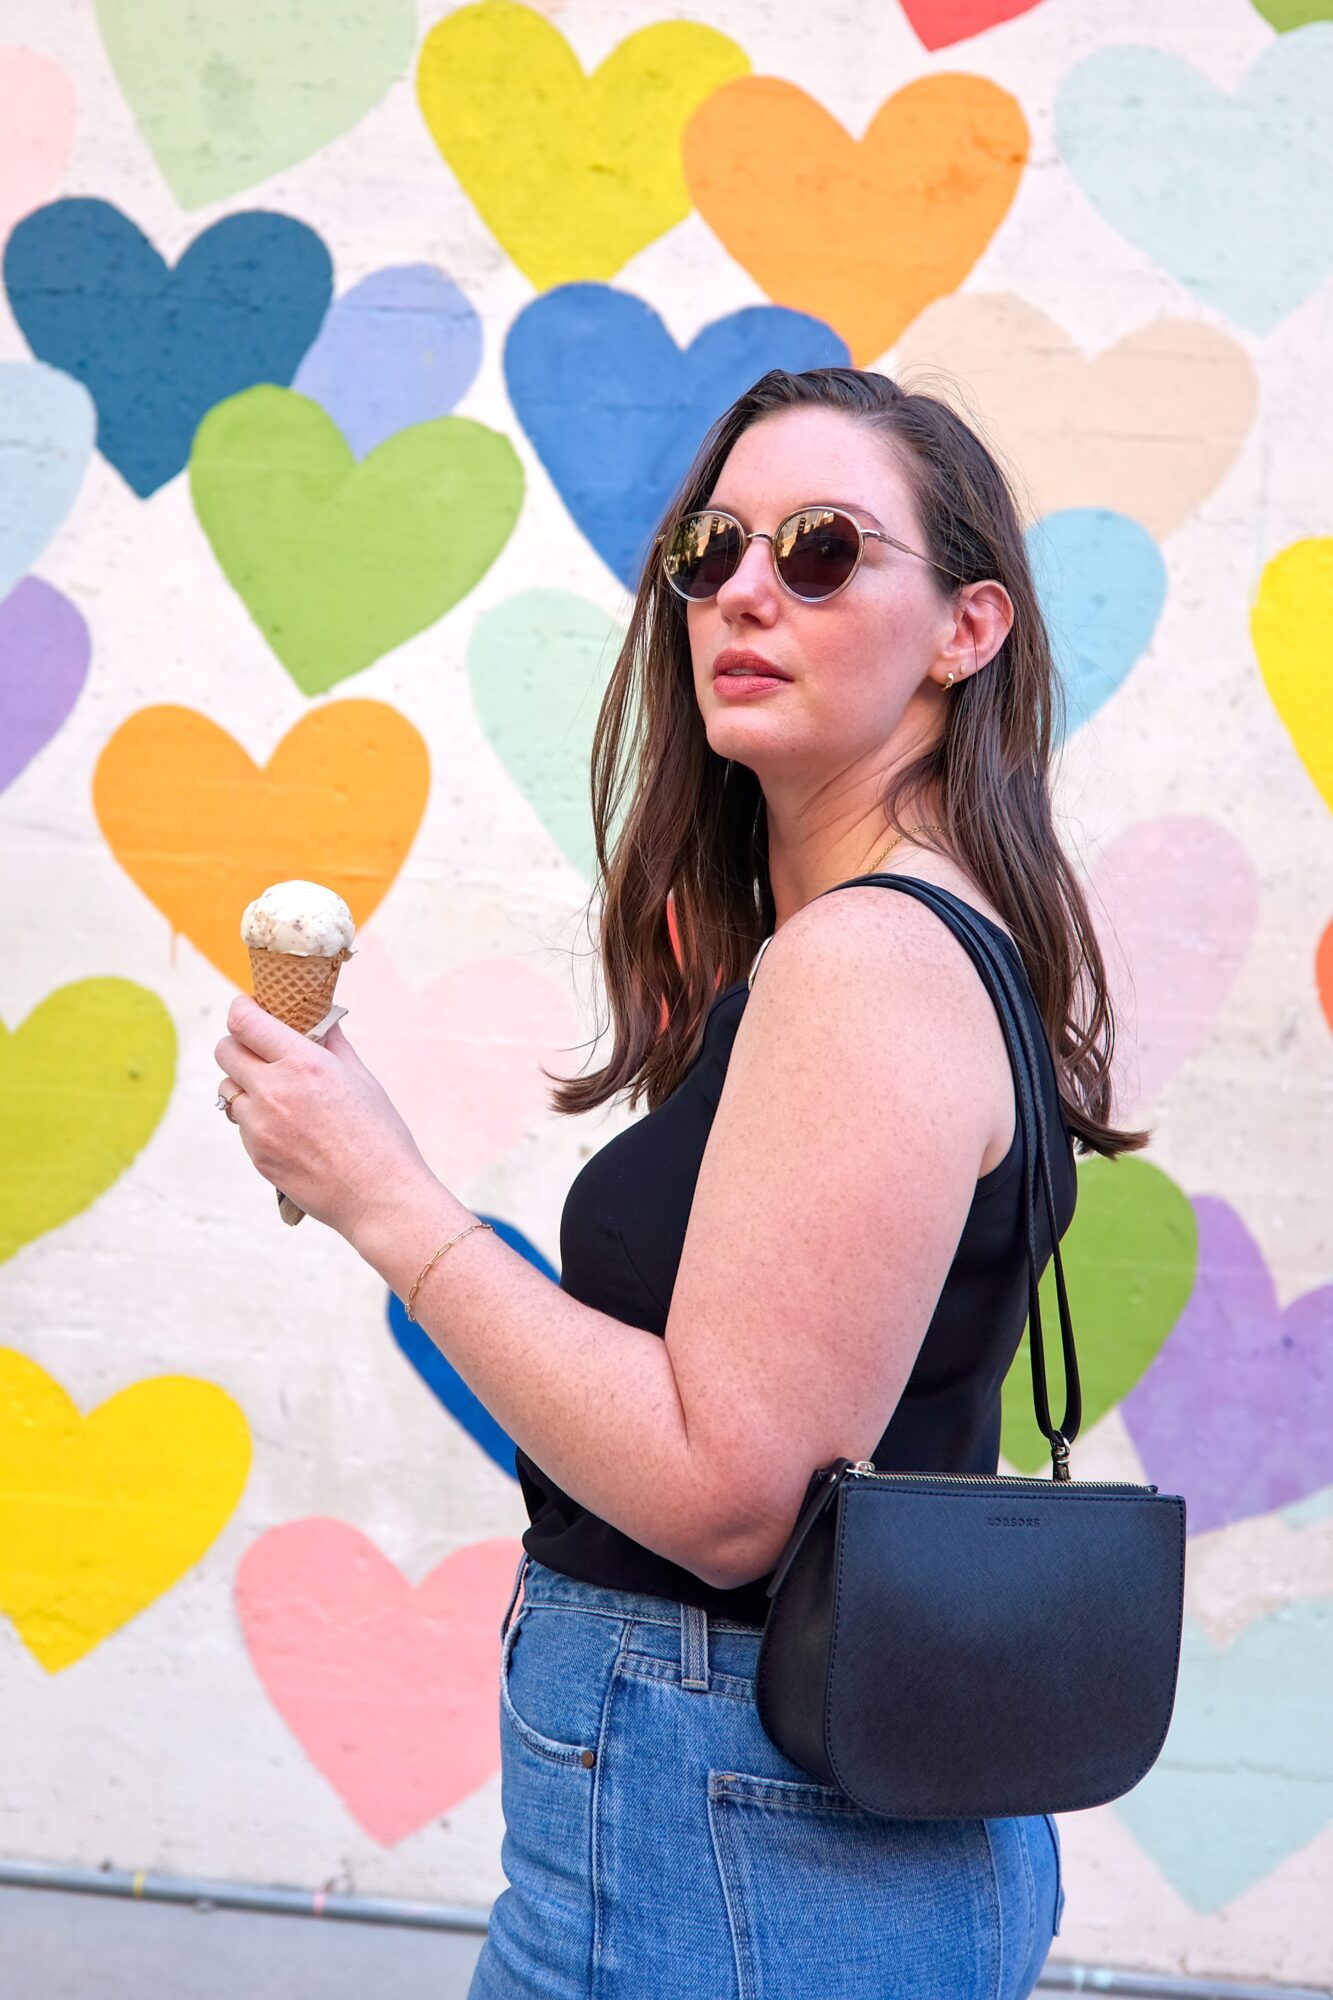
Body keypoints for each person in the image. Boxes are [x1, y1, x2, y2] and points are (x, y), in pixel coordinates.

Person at [212, 364, 1150, 1996]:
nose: (742, 589)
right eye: (708, 549)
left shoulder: (868, 961)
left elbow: (732, 1496)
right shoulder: (895, 942)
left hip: (730, 1832)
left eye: (820, 549)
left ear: (966, 629)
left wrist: (389, 1201)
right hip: (751, 1832)